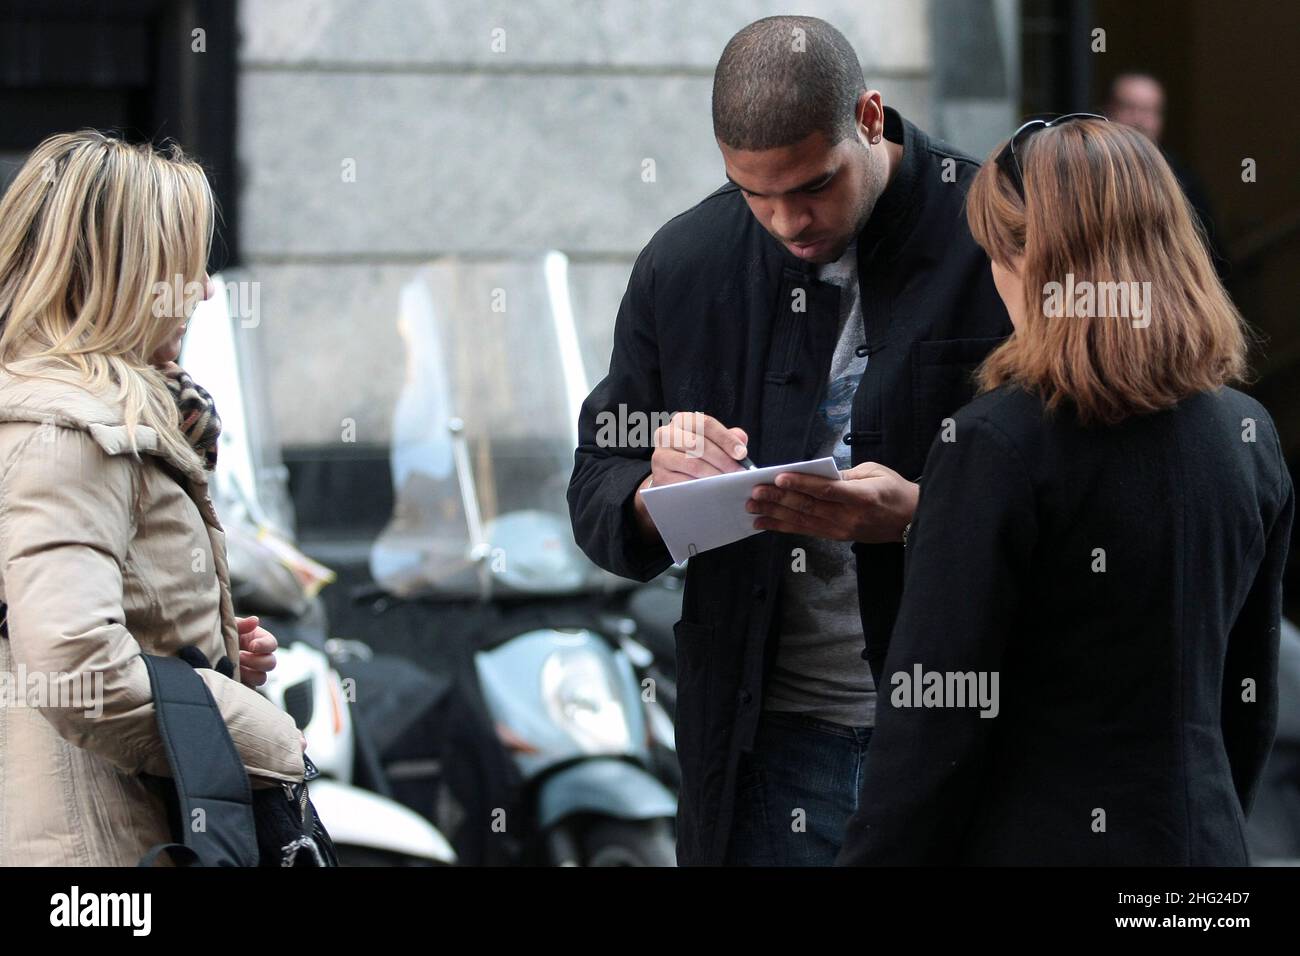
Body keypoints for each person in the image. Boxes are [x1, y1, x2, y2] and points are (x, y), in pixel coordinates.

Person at [567, 15, 1011, 866]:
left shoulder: (994, 233)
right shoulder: (687, 262)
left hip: (965, 732)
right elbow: (596, 478)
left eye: (813, 186)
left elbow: (1085, 478)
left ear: (870, 119)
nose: (785, 221)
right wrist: (654, 493)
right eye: (752, 193)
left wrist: (926, 516)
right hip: (765, 740)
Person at [837, 116, 1293, 865]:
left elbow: (933, 727)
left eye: (994, 254)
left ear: (1030, 261)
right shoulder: (1247, 436)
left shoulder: (994, 443)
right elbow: (1249, 702)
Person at [0, 131, 305, 866]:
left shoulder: (87, 413)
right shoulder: (71, 431)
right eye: (187, 267)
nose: (202, 290)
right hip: (103, 851)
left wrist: (216, 664)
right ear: (127, 274)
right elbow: (76, 668)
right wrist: (272, 742)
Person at [1105, 71, 1227, 281]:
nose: (1139, 120)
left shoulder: (1182, 179)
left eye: (1149, 111)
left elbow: (1209, 253)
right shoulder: (1086, 170)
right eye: (1129, 107)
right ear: (1108, 110)